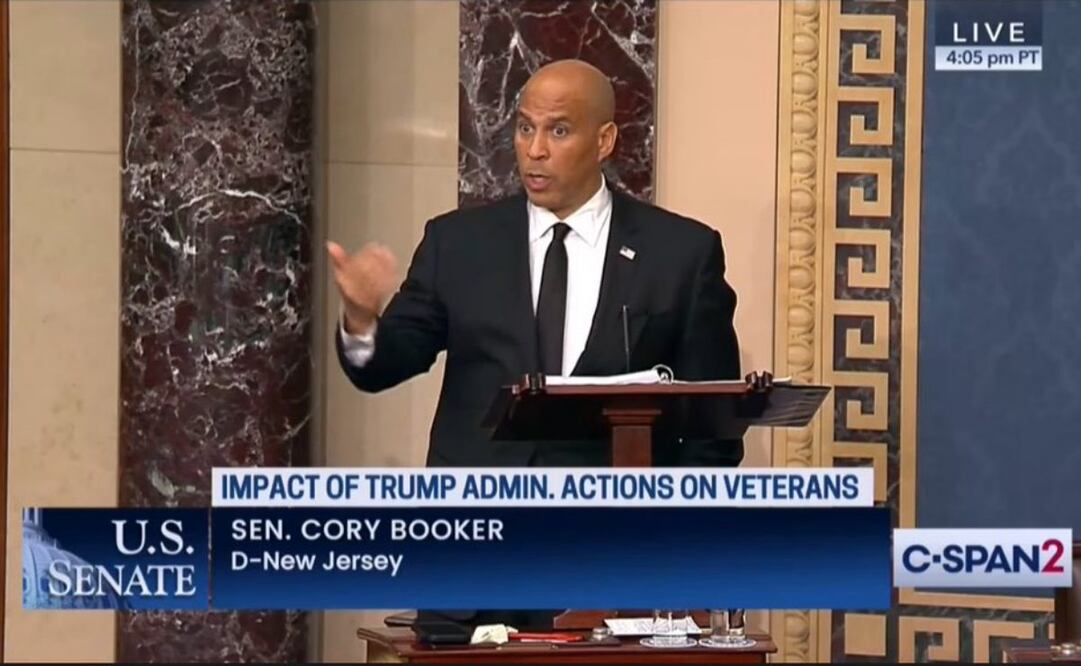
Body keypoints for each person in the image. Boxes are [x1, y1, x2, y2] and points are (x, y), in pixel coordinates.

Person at [327, 59, 742, 630]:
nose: (535, 150)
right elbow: (383, 364)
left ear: (604, 141)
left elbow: (711, 426)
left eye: (558, 130)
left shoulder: (680, 255)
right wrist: (359, 316)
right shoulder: (459, 243)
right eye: (525, 129)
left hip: (613, 572)